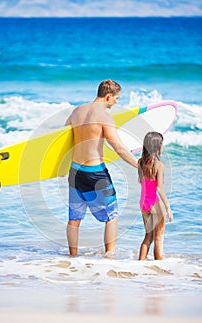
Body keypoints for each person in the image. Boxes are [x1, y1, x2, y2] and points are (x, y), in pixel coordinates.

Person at [65, 79, 138, 257]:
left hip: (75, 173)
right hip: (95, 173)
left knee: (74, 219)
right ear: (108, 96)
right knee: (112, 216)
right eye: (116, 98)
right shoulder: (105, 116)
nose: (116, 102)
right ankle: (109, 257)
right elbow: (119, 147)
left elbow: (64, 140)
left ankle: (72, 257)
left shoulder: (77, 111)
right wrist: (138, 166)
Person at [138, 132, 173, 260]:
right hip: (154, 203)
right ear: (158, 146)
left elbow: (141, 181)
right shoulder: (159, 165)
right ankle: (158, 267)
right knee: (158, 237)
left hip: (143, 204)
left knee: (148, 236)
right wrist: (168, 207)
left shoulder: (141, 163)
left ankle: (139, 263)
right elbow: (159, 187)